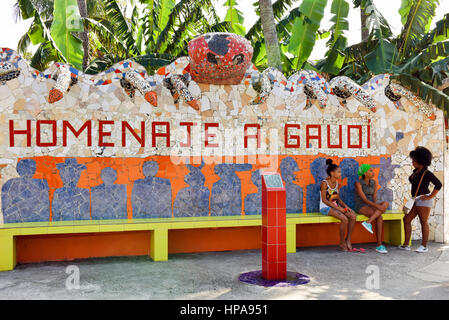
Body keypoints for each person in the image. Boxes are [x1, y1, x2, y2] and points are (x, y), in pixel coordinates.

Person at [399, 146, 442, 253]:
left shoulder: (427, 173)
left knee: (423, 222)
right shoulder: (416, 171)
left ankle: (424, 246)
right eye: (412, 159)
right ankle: (406, 244)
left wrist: (430, 196)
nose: (412, 161)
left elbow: (438, 184)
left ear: (421, 160)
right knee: (406, 219)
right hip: (416, 200)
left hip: (423, 200)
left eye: (414, 160)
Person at [319, 159, 357, 252]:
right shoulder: (325, 183)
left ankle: (348, 239)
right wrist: (339, 209)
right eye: (339, 172)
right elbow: (324, 200)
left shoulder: (336, 183)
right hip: (325, 207)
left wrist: (347, 207)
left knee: (353, 216)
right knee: (344, 219)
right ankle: (341, 242)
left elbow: (338, 198)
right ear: (332, 173)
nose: (341, 174)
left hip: (335, 207)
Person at [354, 164, 389, 254]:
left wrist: (375, 206)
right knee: (380, 217)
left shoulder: (374, 182)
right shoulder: (358, 183)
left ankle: (368, 222)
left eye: (372, 170)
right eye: (370, 170)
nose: (373, 172)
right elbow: (364, 199)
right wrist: (377, 207)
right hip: (361, 205)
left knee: (385, 203)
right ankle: (379, 245)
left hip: (371, 204)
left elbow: (374, 197)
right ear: (365, 173)